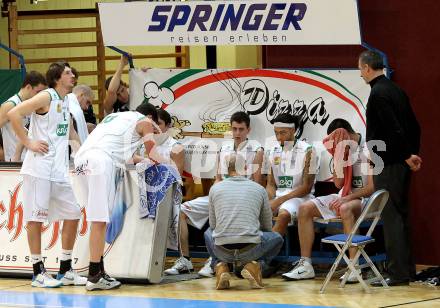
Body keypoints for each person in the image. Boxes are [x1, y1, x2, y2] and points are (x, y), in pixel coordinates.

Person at [7, 61, 85, 288]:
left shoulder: (66, 100)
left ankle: (65, 269)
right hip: (39, 169)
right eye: (68, 73)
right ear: (57, 78)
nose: (73, 76)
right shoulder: (46, 97)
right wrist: (28, 142)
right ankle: (37, 272)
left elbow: (70, 132)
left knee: (73, 214)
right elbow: (13, 113)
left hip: (59, 171)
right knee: (35, 219)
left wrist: (82, 155)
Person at [164, 111, 264, 277]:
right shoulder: (223, 148)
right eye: (234, 129)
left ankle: (215, 261)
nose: (237, 133)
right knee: (181, 211)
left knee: (220, 214)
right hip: (221, 194)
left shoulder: (257, 150)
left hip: (242, 197)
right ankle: (185, 260)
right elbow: (218, 178)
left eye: (241, 129)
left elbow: (257, 184)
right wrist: (214, 194)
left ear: (248, 130)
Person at [74, 102, 160, 291]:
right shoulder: (145, 121)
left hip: (81, 160)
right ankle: (94, 275)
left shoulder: (115, 118)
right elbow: (154, 154)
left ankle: (98, 271)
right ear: (151, 118)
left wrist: (143, 159)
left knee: (97, 218)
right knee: (100, 219)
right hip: (100, 161)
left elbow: (125, 154)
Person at [358, 50, 421, 287]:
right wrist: (413, 153)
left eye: (360, 69)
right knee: (401, 216)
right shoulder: (396, 90)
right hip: (400, 161)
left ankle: (397, 274)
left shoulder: (378, 93)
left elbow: (393, 129)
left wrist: (406, 155)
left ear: (366, 68)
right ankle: (407, 270)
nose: (360, 74)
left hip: (390, 163)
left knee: (392, 217)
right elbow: (415, 126)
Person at [282, 119, 374, 282]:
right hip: (345, 195)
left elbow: (371, 188)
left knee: (345, 208)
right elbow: (338, 184)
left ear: (346, 133)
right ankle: (306, 265)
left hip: (366, 199)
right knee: (305, 208)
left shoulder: (368, 148)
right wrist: (339, 157)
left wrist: (347, 197)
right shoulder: (342, 149)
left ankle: (354, 268)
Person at [204, 152, 283, 290]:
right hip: (250, 249)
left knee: (208, 233)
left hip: (222, 250)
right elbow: (267, 225)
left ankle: (220, 265)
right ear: (246, 168)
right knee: (277, 238)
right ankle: (255, 264)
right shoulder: (259, 189)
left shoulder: (214, 189)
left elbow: (213, 225)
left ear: (226, 169)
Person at [266, 113, 318, 236]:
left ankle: (267, 250)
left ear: (293, 130)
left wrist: (278, 201)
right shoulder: (273, 151)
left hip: (301, 198)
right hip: (279, 197)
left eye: (282, 133)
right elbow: (271, 184)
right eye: (276, 133)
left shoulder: (308, 151)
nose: (279, 137)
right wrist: (266, 199)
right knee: (254, 210)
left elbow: (306, 188)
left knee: (283, 215)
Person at [0, 71, 47, 162]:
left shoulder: (33, 105)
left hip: (31, 158)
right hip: (15, 159)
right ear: (28, 87)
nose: (40, 96)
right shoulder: (10, 105)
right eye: (38, 92)